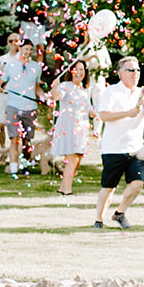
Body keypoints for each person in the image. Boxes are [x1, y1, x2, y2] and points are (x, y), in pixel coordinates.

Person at [92, 56, 144, 230]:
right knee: (109, 187)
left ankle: (119, 213)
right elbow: (104, 115)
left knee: (138, 182)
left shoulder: (143, 94)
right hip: (113, 148)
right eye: (131, 70)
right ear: (121, 74)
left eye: (137, 70)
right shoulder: (111, 92)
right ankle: (98, 220)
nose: (135, 73)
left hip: (135, 147)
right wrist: (127, 113)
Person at [0, 41, 46, 177]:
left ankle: (25, 165)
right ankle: (14, 168)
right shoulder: (10, 65)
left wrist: (45, 97)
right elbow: (2, 82)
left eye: (31, 49)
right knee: (14, 138)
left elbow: (37, 88)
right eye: (26, 49)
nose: (28, 52)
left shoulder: (36, 67)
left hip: (30, 108)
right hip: (13, 106)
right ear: (20, 49)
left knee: (27, 140)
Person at [48, 58, 94, 194]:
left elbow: (88, 109)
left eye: (82, 69)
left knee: (78, 158)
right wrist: (55, 87)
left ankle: (63, 187)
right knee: (72, 158)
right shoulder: (65, 86)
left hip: (82, 128)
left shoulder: (86, 90)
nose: (79, 72)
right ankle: (67, 190)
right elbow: (56, 97)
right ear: (71, 71)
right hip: (67, 127)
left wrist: (93, 112)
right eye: (76, 69)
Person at [0, 32, 24, 162]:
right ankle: (3, 150)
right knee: (0, 124)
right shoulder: (3, 59)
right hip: (3, 94)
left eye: (16, 40)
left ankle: (15, 152)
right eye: (10, 41)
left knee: (16, 126)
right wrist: (3, 78)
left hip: (17, 96)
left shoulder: (23, 58)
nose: (13, 43)